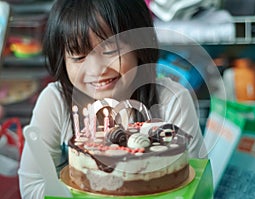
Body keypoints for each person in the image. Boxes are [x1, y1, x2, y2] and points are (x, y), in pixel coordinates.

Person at [18, 0, 205, 198]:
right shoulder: (56, 101)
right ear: (62, 59)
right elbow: (32, 186)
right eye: (79, 56)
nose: (97, 69)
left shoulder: (171, 100)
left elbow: (194, 185)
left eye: (111, 50)